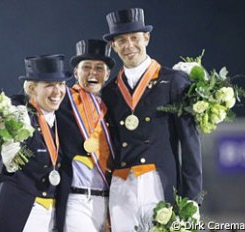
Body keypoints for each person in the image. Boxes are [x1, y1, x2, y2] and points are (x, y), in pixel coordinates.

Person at [102, 8, 203, 231]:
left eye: (134, 38)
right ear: (113, 46)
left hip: (159, 184)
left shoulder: (173, 81)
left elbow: (189, 143)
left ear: (146, 38)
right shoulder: (108, 92)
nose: (129, 45)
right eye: (121, 40)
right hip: (121, 187)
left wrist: (193, 198)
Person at [0, 54, 72, 232]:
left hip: (53, 217)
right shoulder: (18, 120)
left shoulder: (62, 121)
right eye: (49, 85)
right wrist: (8, 164)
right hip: (24, 214)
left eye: (61, 84)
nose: (57, 92)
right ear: (32, 88)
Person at [55, 39, 115, 232]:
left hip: (110, 201)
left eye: (99, 68)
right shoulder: (62, 101)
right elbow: (34, 97)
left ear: (107, 74)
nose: (92, 73)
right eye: (86, 67)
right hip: (76, 201)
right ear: (75, 73)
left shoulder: (115, 107)